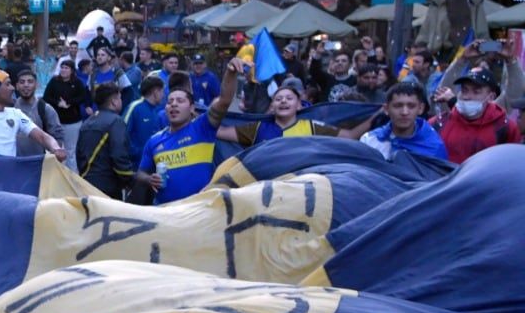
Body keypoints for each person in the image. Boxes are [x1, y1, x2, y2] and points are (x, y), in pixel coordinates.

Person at [134, 57, 245, 205]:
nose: (173, 105)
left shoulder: (202, 128)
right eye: (170, 102)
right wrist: (149, 179)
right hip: (164, 212)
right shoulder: (154, 141)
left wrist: (230, 74)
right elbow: (140, 173)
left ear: (192, 108)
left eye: (180, 101)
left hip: (199, 211)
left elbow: (224, 101)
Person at [219, 82, 376, 147]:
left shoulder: (312, 127)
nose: (283, 101)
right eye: (278, 99)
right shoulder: (258, 128)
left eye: (289, 98)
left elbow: (350, 136)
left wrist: (376, 116)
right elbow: (220, 132)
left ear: (299, 105)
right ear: (272, 106)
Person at [429, 70, 521, 164]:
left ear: (491, 97)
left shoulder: (505, 128)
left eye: (476, 92)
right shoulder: (438, 123)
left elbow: (514, 163)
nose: (467, 97)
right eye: (464, 90)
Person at [360, 82, 449, 160]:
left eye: (411, 106)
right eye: (398, 106)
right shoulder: (370, 141)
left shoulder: (434, 147)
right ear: (386, 109)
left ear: (421, 108)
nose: (404, 112)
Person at [75, 83, 134, 199]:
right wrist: (129, 179)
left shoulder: (87, 122)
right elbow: (119, 155)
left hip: (86, 185)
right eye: (120, 98)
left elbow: (78, 153)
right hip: (108, 186)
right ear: (114, 102)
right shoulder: (116, 121)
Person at [43, 59, 89, 170]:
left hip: (72, 122)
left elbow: (82, 97)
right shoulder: (54, 81)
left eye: (66, 68)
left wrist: (69, 103)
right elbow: (46, 97)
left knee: (70, 151)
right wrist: (58, 103)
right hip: (56, 121)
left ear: (72, 71)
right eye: (62, 67)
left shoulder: (77, 83)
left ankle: (73, 178)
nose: (63, 70)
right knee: (55, 150)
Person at [13, 71, 64, 157]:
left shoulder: (45, 109)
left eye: (30, 81)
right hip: (14, 163)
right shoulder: (10, 108)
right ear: (17, 86)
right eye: (22, 82)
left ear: (36, 85)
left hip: (39, 163)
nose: (26, 85)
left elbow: (57, 136)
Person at [123, 76, 165, 164]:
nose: (163, 95)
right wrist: (137, 153)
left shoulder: (157, 111)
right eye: (162, 91)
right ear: (155, 92)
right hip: (134, 166)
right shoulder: (134, 107)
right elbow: (122, 134)